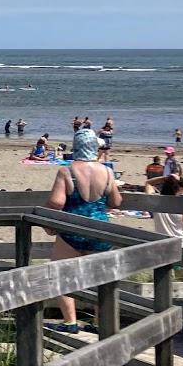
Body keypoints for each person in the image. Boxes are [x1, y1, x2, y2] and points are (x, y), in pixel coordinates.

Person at [44, 128, 123, 332]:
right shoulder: (107, 171)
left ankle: (70, 321)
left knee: (61, 275)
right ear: (94, 147)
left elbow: (56, 201)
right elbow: (116, 201)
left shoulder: (67, 171)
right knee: (101, 278)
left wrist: (48, 222)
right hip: (100, 231)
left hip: (72, 230)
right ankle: (98, 322)